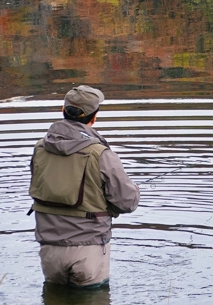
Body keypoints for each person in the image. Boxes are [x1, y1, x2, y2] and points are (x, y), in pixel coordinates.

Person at [29, 85, 140, 289]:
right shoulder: (101, 154)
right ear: (94, 117)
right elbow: (127, 203)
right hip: (89, 252)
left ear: (63, 111)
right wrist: (135, 189)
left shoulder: (39, 148)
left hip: (49, 251)